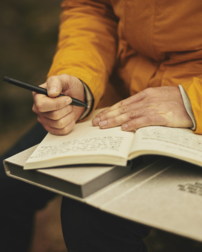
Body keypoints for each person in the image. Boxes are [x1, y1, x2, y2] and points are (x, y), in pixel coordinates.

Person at [1, 0, 202, 251]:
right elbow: (90, 7)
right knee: (6, 188)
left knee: (90, 221)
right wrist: (80, 78)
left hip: (193, 116)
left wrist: (192, 101)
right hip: (115, 97)